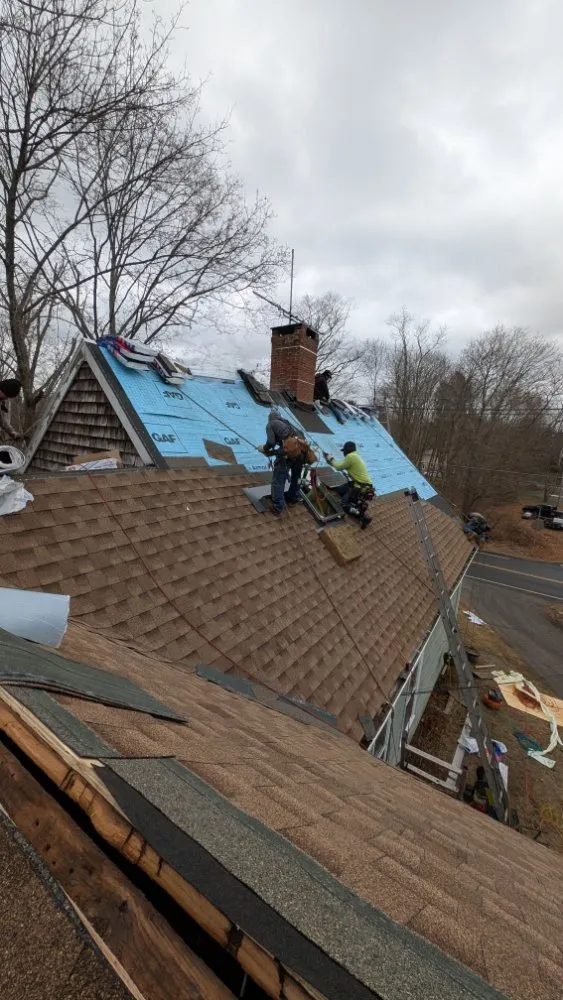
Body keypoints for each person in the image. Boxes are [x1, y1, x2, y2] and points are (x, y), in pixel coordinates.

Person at [259, 409, 306, 516]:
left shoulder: (270, 424)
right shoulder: (287, 424)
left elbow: (271, 442)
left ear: (270, 418)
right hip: (302, 454)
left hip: (289, 455)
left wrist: (264, 449)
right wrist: (273, 452)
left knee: (278, 480)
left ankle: (278, 507)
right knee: (296, 477)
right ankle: (294, 497)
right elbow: (285, 442)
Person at [324, 441, 374, 525]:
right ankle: (357, 503)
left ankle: (361, 515)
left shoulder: (351, 457)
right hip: (364, 486)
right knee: (340, 489)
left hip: (359, 487)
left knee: (344, 504)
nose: (343, 453)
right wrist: (330, 461)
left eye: (344, 451)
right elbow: (342, 466)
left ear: (347, 450)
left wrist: (330, 458)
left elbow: (338, 467)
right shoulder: (356, 456)